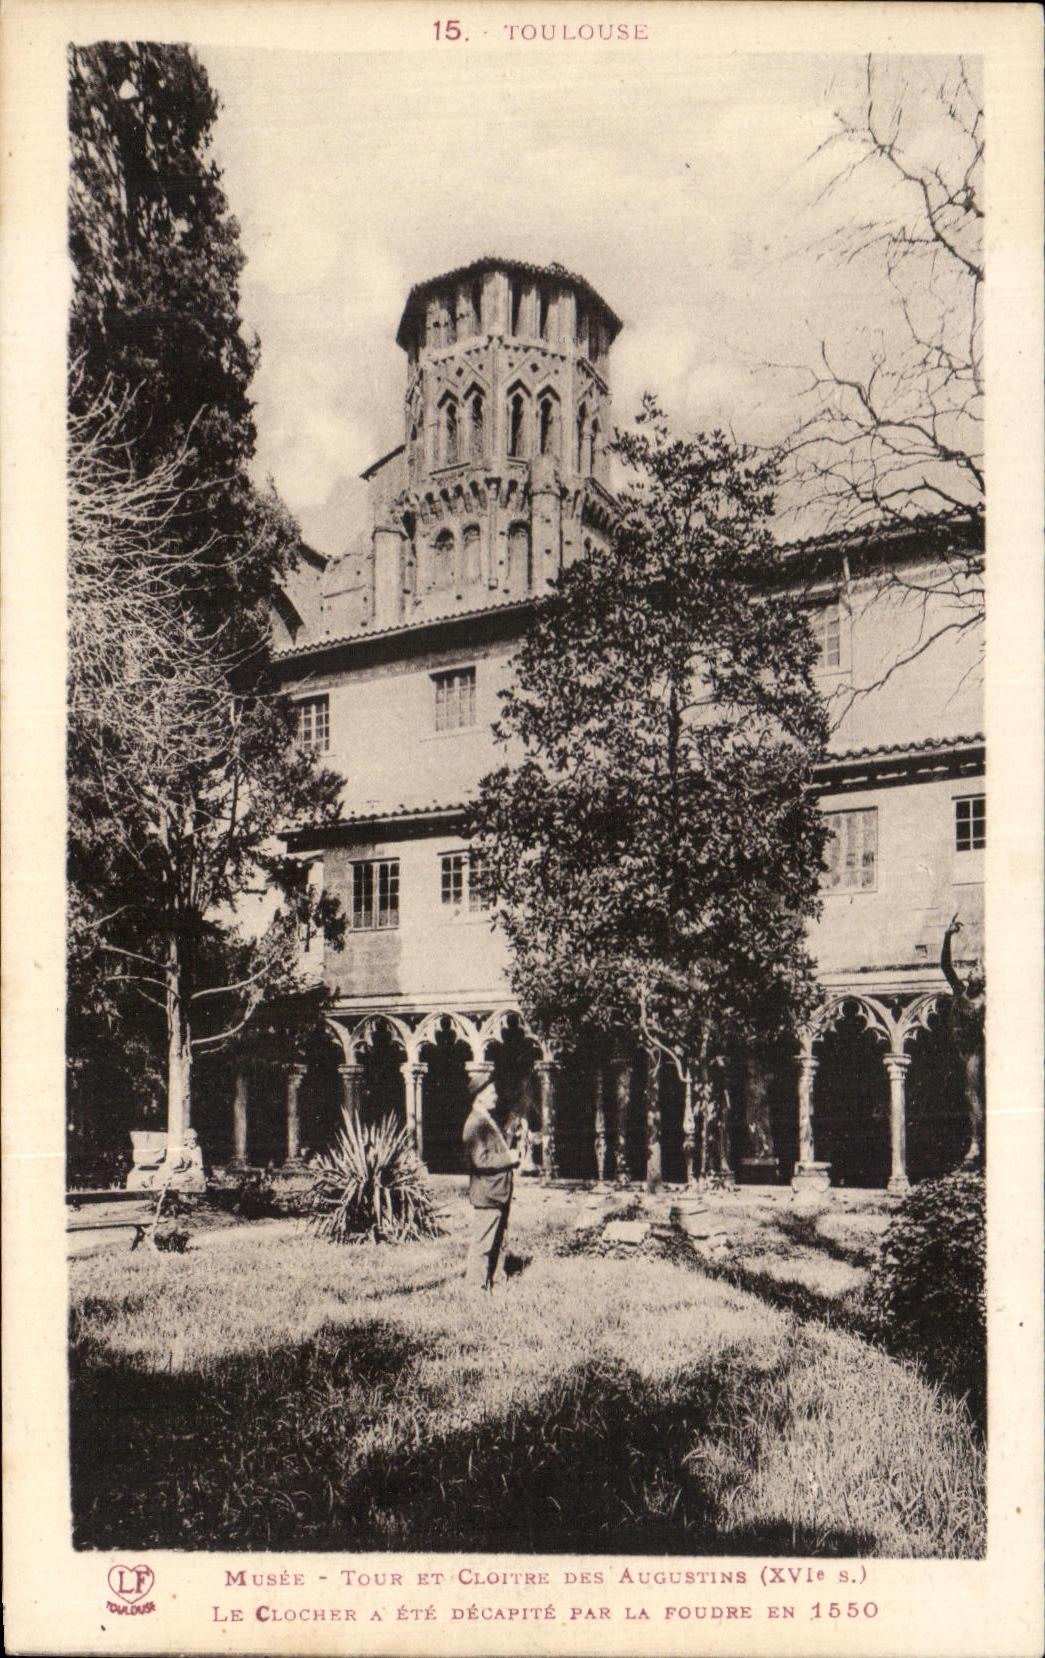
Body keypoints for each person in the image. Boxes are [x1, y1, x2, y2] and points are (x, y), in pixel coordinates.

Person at [462, 1078, 518, 1292]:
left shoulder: (485, 1119)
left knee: (498, 1242)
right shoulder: (475, 1124)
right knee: (483, 1244)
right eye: (492, 1092)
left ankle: (496, 1282)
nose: (495, 1096)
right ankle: (475, 1289)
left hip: (497, 1193)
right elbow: (480, 1160)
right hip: (488, 1195)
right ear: (480, 1095)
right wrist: (509, 1158)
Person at [941, 913, 985, 1164]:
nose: (972, 970)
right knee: (962, 1094)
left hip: (972, 1051)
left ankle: (976, 1143)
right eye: (973, 967)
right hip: (955, 1048)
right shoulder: (959, 990)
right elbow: (945, 966)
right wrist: (947, 936)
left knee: (972, 1095)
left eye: (977, 968)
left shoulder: (983, 1001)